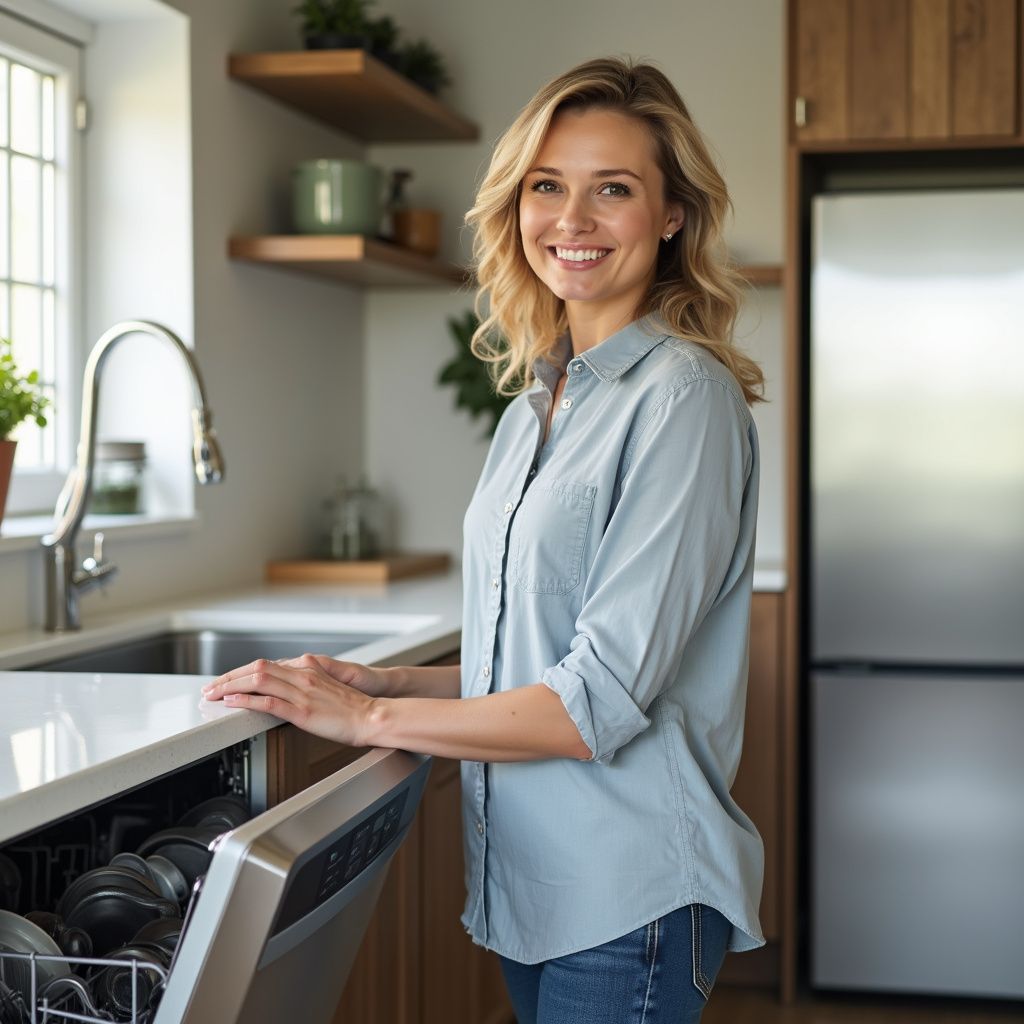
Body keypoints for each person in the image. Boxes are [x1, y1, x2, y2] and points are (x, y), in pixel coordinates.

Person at [203, 56, 766, 1024]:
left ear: (671, 215)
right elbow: (534, 664)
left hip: (628, 890)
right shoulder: (533, 406)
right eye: (547, 185)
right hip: (532, 885)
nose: (572, 219)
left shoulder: (683, 397)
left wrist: (366, 726)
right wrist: (384, 683)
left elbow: (595, 702)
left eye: (613, 189)